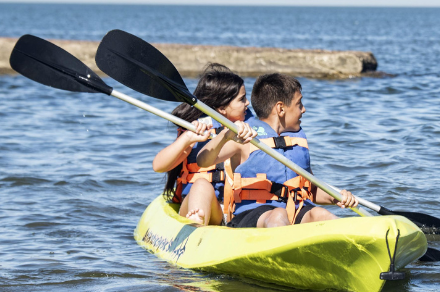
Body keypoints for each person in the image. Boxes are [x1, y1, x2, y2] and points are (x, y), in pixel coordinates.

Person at [197, 73, 358, 228]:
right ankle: (289, 250)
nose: (304, 110)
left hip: (295, 211)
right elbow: (203, 161)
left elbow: (311, 189)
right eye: (299, 104)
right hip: (253, 215)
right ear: (280, 108)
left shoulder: (297, 140)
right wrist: (226, 135)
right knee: (278, 214)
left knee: (322, 214)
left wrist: (335, 197)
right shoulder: (245, 137)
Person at [152, 63, 256, 226]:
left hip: (234, 209)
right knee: (202, 185)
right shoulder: (197, 129)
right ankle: (196, 226)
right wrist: (187, 138)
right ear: (222, 109)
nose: (248, 103)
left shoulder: (251, 128)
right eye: (242, 99)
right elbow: (158, 166)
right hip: (198, 204)